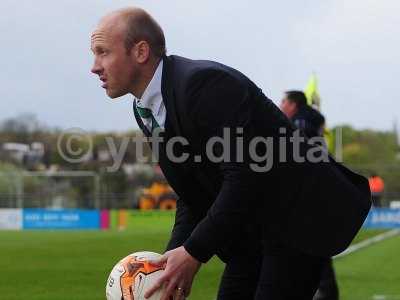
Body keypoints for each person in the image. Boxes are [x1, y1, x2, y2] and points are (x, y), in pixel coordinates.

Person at [90, 7, 371, 300]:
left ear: (140, 52)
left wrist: (194, 252)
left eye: (102, 52)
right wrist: (166, 264)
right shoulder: (144, 108)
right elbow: (192, 194)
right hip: (250, 232)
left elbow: (245, 174)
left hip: (297, 218)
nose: (94, 66)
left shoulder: (201, 85)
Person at [280, 91, 339, 300]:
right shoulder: (311, 122)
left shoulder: (299, 125)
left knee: (307, 248)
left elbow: (298, 159)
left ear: (294, 104)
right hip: (319, 192)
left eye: (284, 101)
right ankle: (324, 290)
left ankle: (322, 291)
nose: (280, 105)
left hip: (307, 196)